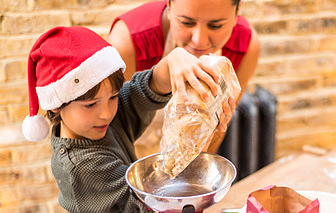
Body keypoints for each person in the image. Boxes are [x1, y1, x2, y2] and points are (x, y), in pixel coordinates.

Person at [21, 26, 235, 213]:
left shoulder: (100, 119)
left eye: (112, 97)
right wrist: (199, 135)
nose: (107, 112)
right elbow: (150, 193)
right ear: (56, 107)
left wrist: (174, 62)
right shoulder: (77, 167)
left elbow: (148, 88)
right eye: (90, 104)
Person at [108, 0, 260, 154]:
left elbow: (217, 129)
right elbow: (112, 131)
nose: (199, 41)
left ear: (237, 11)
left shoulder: (245, 45)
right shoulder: (128, 42)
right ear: (168, 5)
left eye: (216, 26)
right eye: (186, 23)